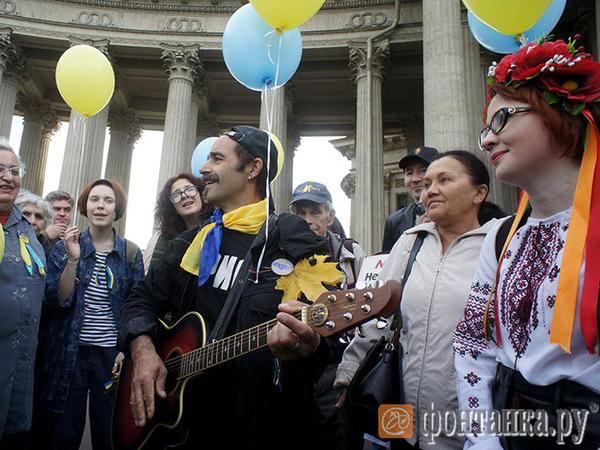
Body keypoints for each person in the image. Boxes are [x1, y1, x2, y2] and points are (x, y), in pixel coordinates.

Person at [119, 126, 334, 450]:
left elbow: (327, 334)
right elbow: (140, 298)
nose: (203, 169)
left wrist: (310, 347)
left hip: (265, 427)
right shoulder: (191, 243)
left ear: (253, 169)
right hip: (192, 425)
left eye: (217, 158)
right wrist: (144, 350)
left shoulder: (292, 238)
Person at [454, 38, 600, 449]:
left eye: (501, 121)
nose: (486, 141)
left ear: (555, 115)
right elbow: (472, 341)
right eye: (487, 128)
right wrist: (483, 438)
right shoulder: (500, 236)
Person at [336, 150, 505, 449]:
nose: (431, 190)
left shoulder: (502, 245)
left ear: (479, 192)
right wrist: (349, 372)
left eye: (444, 179)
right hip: (400, 415)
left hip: (467, 425)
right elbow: (378, 316)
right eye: (427, 184)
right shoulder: (410, 242)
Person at [43, 179, 144, 450]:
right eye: (95, 200)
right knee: (64, 432)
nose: (101, 206)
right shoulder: (65, 246)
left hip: (111, 354)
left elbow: (136, 306)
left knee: (108, 431)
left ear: (117, 208)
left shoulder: (130, 253)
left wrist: (126, 349)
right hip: (70, 353)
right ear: (85, 207)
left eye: (108, 201)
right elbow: (58, 299)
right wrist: (73, 259)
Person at [289, 181, 365, 450]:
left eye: (315, 212)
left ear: (330, 216)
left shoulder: (351, 254)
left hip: (336, 363)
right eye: (300, 213)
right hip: (292, 363)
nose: (308, 220)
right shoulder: (278, 254)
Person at [0, 140, 46, 448]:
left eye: (14, 170)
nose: (7, 177)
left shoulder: (26, 230)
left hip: (18, 367)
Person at [143, 173, 211, 273]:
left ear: (201, 195)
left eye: (189, 189)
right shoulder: (162, 240)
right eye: (176, 195)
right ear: (172, 207)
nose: (184, 195)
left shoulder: (218, 227)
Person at [381, 146, 439, 253]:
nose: (415, 179)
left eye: (423, 171)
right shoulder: (394, 221)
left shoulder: (451, 214)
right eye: (409, 173)